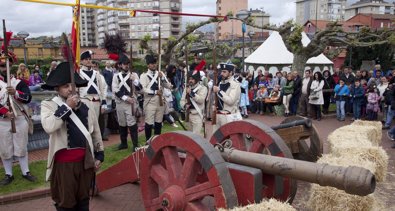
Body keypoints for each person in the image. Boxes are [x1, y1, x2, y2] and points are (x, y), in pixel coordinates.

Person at [40, 62, 104, 211]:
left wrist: (99, 155)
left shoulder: (86, 104)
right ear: (57, 89)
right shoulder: (49, 105)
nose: (70, 89)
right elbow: (49, 126)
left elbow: (95, 133)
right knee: (65, 203)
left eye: (71, 85)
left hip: (85, 162)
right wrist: (68, 106)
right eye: (65, 86)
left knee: (83, 201)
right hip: (64, 166)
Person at [0, 51, 36, 186]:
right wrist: (4, 113)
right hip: (2, 121)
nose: (5, 68)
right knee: (5, 149)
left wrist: (15, 93)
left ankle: (25, 171)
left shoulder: (19, 83)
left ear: (12, 65)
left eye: (7, 65)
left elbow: (28, 98)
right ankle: (8, 174)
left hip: (19, 118)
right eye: (2, 66)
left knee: (21, 146)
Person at [112, 54, 141, 151]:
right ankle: (123, 143)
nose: (126, 66)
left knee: (132, 123)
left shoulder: (134, 75)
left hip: (131, 103)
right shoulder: (116, 76)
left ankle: (135, 145)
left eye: (128, 64)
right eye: (124, 64)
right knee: (122, 123)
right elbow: (115, 89)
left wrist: (135, 81)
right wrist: (125, 98)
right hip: (120, 103)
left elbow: (140, 89)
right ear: (120, 65)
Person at [140, 55, 172, 141]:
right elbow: (142, 89)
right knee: (149, 123)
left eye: (155, 63)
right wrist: (154, 92)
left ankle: (157, 141)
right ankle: (148, 141)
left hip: (160, 101)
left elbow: (168, 86)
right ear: (148, 65)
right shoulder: (144, 76)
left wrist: (162, 78)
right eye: (152, 63)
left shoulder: (160, 74)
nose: (154, 65)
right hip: (150, 102)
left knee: (158, 122)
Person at [78, 50, 108, 120]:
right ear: (81, 61)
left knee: (96, 126)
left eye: (89, 59)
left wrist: (104, 103)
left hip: (96, 103)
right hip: (84, 103)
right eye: (86, 59)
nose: (88, 61)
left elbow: (102, 89)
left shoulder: (96, 73)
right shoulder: (78, 73)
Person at [212, 63, 241, 128]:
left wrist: (219, 91)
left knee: (227, 138)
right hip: (217, 114)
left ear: (230, 73)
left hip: (228, 116)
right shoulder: (220, 83)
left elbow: (231, 101)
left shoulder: (235, 84)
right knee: (216, 137)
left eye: (224, 72)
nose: (222, 73)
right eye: (221, 71)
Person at [180, 70, 208, 136]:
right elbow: (182, 100)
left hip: (197, 115)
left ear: (197, 79)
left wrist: (191, 93)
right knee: (189, 137)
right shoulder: (187, 88)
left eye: (192, 79)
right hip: (188, 114)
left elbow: (201, 100)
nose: (190, 81)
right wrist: (184, 106)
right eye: (189, 79)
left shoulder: (203, 88)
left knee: (196, 138)